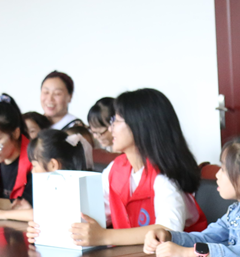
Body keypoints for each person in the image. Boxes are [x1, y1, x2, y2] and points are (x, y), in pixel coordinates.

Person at [28, 88, 207, 247]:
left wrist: (105, 236)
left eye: (117, 121)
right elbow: (87, 215)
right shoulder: (116, 168)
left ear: (140, 127)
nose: (110, 128)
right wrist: (45, 228)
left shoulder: (165, 177)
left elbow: (167, 231)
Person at [0, 129, 88, 223]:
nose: (33, 171)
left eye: (35, 165)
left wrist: (1, 214)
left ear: (53, 165)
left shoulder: (70, 187)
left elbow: (41, 214)